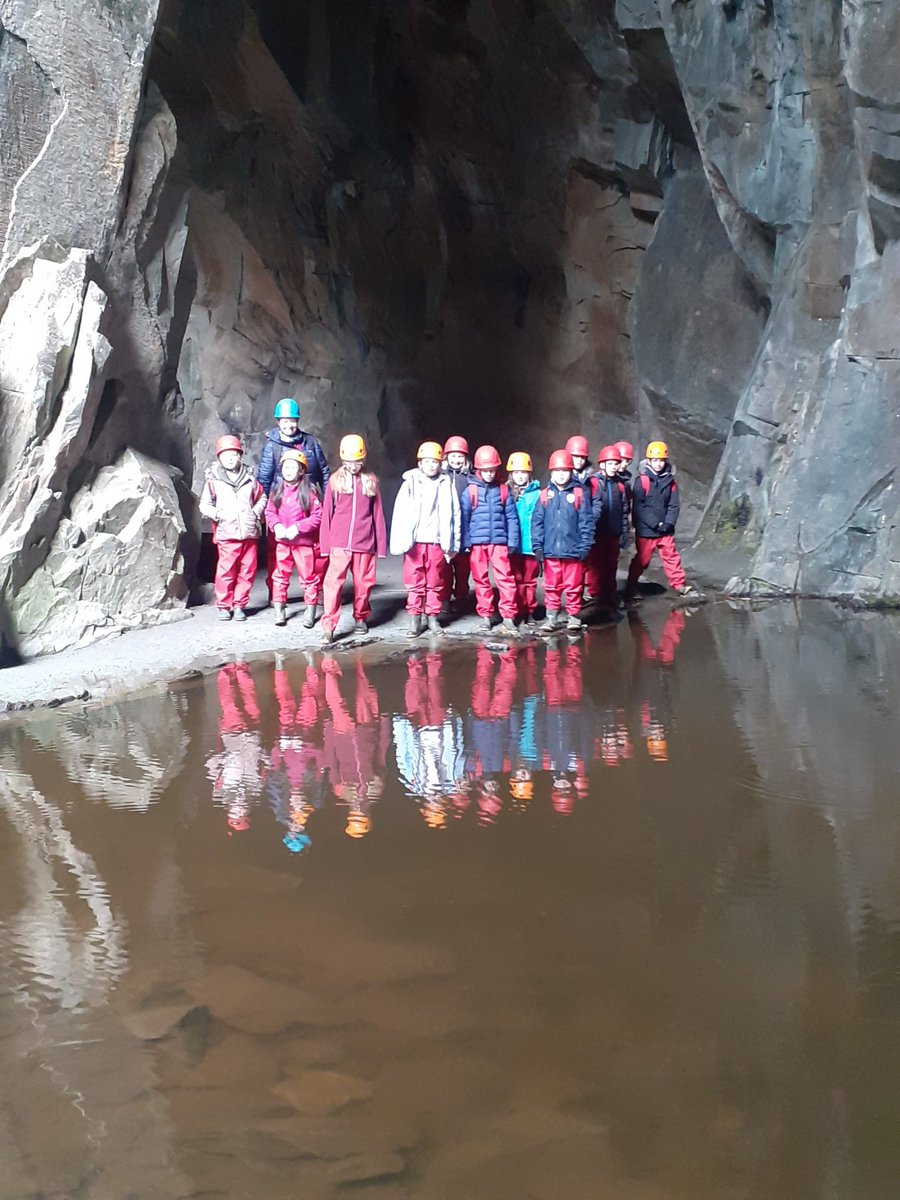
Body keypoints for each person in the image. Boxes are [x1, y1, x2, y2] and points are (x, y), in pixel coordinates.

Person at [319, 434, 387, 644]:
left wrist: (381, 546)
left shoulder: (370, 481)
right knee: (333, 584)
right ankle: (329, 627)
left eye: (357, 461)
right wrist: (325, 545)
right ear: (342, 459)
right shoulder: (335, 481)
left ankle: (361, 617)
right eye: (348, 461)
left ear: (363, 459)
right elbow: (327, 513)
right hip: (339, 543)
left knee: (364, 584)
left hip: (364, 542)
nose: (353, 465)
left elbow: (378, 514)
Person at [389, 441, 460, 637]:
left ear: (440, 464)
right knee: (414, 582)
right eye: (427, 461)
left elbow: (455, 514)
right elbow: (400, 513)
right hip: (415, 542)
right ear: (420, 463)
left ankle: (433, 618)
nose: (431, 465)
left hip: (436, 541)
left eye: (434, 461)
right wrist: (399, 541)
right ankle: (415, 619)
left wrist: (453, 543)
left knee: (435, 581)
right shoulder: (409, 483)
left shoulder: (446, 484)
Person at [199, 434, 267, 621]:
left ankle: (239, 605)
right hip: (227, 534)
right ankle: (224, 605)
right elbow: (204, 505)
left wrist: (255, 512)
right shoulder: (213, 482)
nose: (230, 458)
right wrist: (217, 514)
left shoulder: (250, 479)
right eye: (225, 455)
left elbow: (262, 497)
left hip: (249, 533)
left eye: (234, 454)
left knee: (247, 571)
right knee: (226, 571)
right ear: (219, 458)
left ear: (240, 456)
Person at [624, 440, 699, 602]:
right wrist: (655, 524)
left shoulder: (670, 482)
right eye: (655, 460)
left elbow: (673, 505)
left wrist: (668, 523)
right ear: (649, 461)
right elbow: (639, 507)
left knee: (671, 557)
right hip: (647, 530)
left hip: (665, 529)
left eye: (661, 460)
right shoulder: (642, 481)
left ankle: (679, 585)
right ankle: (631, 586)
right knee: (642, 560)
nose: (658, 464)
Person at [531, 449, 595, 632]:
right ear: (551, 472)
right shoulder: (544, 495)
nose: (561, 475)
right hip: (551, 552)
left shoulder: (579, 494)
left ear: (571, 472)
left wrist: (585, 546)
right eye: (557, 471)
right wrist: (537, 547)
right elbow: (537, 522)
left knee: (574, 586)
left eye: (565, 471)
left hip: (573, 551)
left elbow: (586, 522)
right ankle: (551, 618)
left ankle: (574, 616)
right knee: (551, 586)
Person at [459, 445, 520, 634]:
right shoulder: (470, 491)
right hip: (477, 544)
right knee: (481, 580)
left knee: (505, 579)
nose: (489, 474)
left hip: (499, 543)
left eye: (492, 470)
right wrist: (466, 542)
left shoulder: (503, 490)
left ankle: (508, 616)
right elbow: (464, 518)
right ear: (478, 469)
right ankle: (485, 615)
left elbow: (512, 518)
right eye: (485, 470)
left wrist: (512, 541)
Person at [264, 449, 323, 628]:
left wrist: (298, 528)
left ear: (301, 470)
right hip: (283, 543)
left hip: (303, 544)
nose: (288, 471)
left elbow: (317, 516)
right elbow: (270, 512)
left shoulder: (309, 492)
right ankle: (279, 609)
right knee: (280, 576)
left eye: (293, 467)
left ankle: (310, 610)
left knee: (308, 577)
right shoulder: (277, 491)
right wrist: (277, 525)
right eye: (286, 467)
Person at [257, 398, 330, 494]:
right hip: (282, 499)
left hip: (309, 498)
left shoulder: (310, 442)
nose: (289, 425)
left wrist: (328, 499)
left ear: (297, 421)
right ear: (278, 422)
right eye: (285, 421)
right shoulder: (272, 446)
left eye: (292, 421)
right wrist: (266, 502)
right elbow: (264, 480)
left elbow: (324, 472)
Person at [588, 445, 629, 608]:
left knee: (611, 565)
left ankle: (609, 594)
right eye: (610, 463)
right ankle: (595, 596)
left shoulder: (620, 485)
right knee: (595, 566)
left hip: (613, 533)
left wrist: (624, 532)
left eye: (615, 463)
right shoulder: (593, 483)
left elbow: (624, 510)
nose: (613, 467)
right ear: (602, 464)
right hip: (597, 533)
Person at [506, 451, 542, 627]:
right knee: (515, 580)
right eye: (516, 472)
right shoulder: (506, 493)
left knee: (530, 581)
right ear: (511, 474)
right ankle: (518, 610)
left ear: (529, 473)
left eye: (523, 472)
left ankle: (530, 611)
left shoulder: (538, 494)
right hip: (513, 545)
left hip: (529, 546)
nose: (520, 476)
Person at [442, 435, 473, 612]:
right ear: (446, 457)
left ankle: (461, 596)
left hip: (465, 529)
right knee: (445, 568)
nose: (456, 459)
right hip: (447, 529)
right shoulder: (441, 477)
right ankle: (444, 598)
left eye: (460, 456)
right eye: (453, 456)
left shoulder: (470, 479)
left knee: (463, 568)